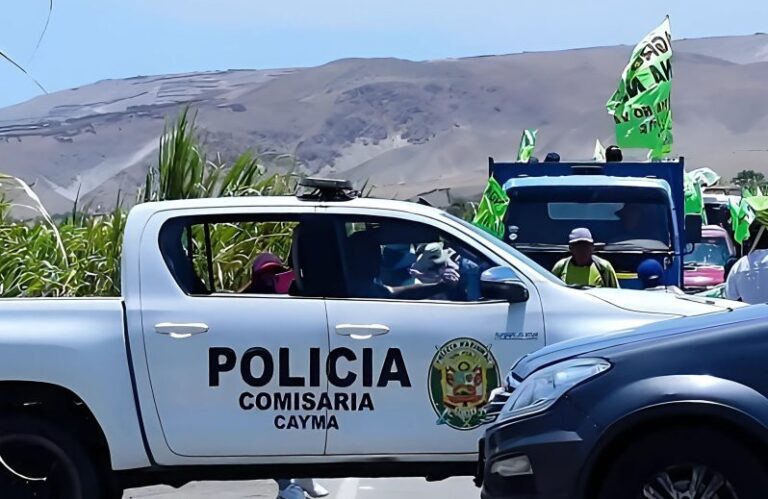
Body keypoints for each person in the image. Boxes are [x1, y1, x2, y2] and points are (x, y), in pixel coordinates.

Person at [552, 228, 619, 288]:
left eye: (586, 246)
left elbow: (615, 294)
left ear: (592, 248)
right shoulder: (560, 267)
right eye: (578, 247)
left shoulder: (603, 267)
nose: (582, 251)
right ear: (571, 249)